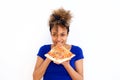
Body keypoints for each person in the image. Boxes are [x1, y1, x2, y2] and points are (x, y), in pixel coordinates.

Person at [33, 8, 84, 80]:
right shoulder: (44, 50)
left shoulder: (77, 51)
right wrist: (49, 57)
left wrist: (66, 65)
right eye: (54, 34)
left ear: (67, 34)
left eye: (62, 35)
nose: (58, 39)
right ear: (51, 34)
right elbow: (35, 78)